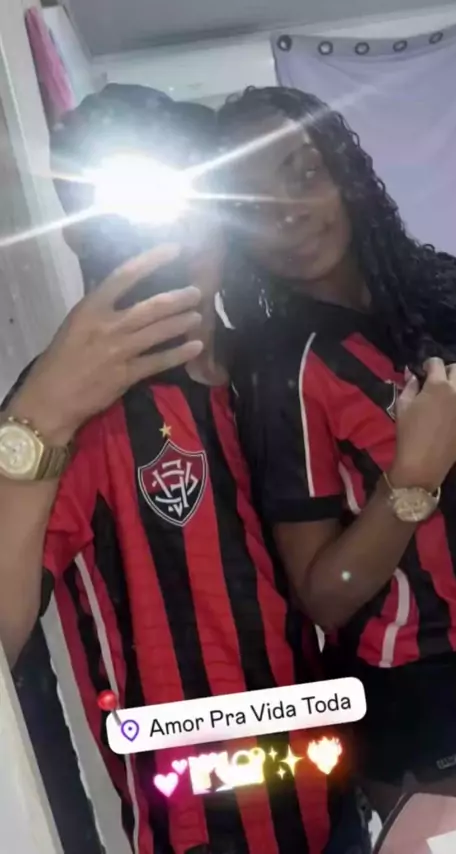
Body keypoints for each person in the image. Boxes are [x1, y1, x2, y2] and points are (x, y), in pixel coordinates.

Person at [0, 85, 369, 854]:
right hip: (201, 834)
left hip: (348, 800)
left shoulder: (280, 371)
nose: (167, 233)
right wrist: (40, 417)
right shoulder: (79, 405)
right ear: (80, 231)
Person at [217, 86, 456, 820]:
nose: (288, 213)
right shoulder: (284, 371)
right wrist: (414, 476)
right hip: (430, 698)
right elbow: (323, 593)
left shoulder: (445, 294)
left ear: (347, 174)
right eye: (251, 203)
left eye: (304, 174)